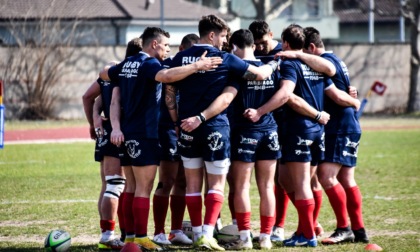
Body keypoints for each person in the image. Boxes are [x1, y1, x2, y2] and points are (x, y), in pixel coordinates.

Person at [99, 26, 223, 251]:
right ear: (154, 44)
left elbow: (105, 76)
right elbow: (165, 76)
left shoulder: (127, 63)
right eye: (166, 45)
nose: (168, 50)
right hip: (145, 133)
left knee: (131, 188)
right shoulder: (149, 64)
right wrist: (198, 65)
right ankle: (141, 237)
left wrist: (116, 126)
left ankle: (129, 238)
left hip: (126, 134)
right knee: (143, 188)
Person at [164, 14, 280, 251]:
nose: (224, 41)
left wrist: (177, 121)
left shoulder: (181, 57)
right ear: (212, 35)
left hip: (186, 127)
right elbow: (258, 75)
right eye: (224, 36)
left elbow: (168, 86)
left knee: (193, 184)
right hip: (215, 127)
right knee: (216, 185)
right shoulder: (224, 58)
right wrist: (274, 64)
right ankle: (208, 233)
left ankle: (196, 234)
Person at [302, 26, 369, 245]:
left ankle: (344, 228)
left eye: (304, 53)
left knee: (326, 176)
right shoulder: (338, 60)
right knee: (346, 178)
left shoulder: (325, 64)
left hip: (340, 125)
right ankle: (359, 231)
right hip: (348, 124)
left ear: (311, 47)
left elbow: (338, 95)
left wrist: (352, 100)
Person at [222, 29, 284, 250]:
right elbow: (281, 96)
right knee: (268, 187)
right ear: (254, 45)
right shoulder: (271, 68)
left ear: (235, 47)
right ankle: (266, 237)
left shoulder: (236, 69)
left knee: (241, 187)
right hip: (270, 131)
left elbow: (227, 98)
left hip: (245, 132)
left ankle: (246, 237)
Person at [82, 38, 142, 250]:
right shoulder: (130, 73)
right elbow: (97, 99)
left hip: (106, 133)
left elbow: (91, 98)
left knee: (108, 184)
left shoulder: (111, 71)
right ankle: (109, 235)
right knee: (117, 184)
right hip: (120, 132)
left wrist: (94, 120)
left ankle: (110, 232)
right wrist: (96, 119)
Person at [152, 33, 199, 246]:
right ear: (182, 50)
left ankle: (176, 230)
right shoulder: (168, 66)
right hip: (168, 129)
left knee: (183, 181)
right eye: (190, 53)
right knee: (167, 180)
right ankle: (159, 232)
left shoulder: (200, 68)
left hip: (189, 128)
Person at [249, 19, 289, 242]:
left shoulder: (285, 54)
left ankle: (279, 226)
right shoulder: (250, 54)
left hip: (280, 121)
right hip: (251, 123)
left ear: (272, 35)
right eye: (255, 44)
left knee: (279, 177)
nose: (260, 48)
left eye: (263, 42)